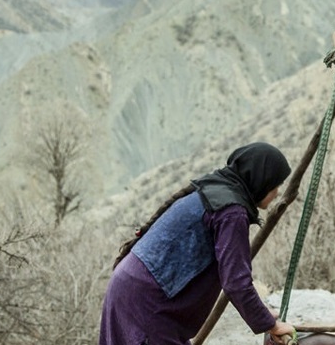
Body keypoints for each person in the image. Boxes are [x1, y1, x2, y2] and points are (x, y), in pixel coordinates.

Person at [98, 142, 297, 345]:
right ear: (262, 181)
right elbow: (236, 283)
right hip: (148, 304)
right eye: (276, 185)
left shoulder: (214, 191)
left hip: (129, 287)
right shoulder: (231, 212)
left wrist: (262, 313)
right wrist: (271, 326)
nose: (277, 192)